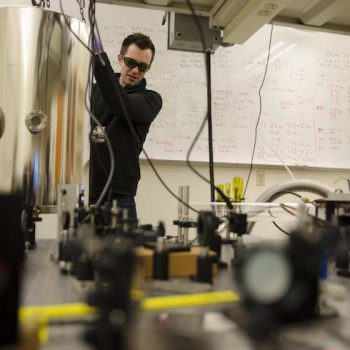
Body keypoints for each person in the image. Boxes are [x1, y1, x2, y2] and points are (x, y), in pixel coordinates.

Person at [89, 33, 162, 221]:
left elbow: (119, 103)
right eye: (131, 62)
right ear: (120, 59)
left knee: (125, 252)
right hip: (91, 191)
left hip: (121, 196)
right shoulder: (94, 92)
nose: (136, 70)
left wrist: (97, 56)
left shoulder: (151, 100)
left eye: (143, 67)